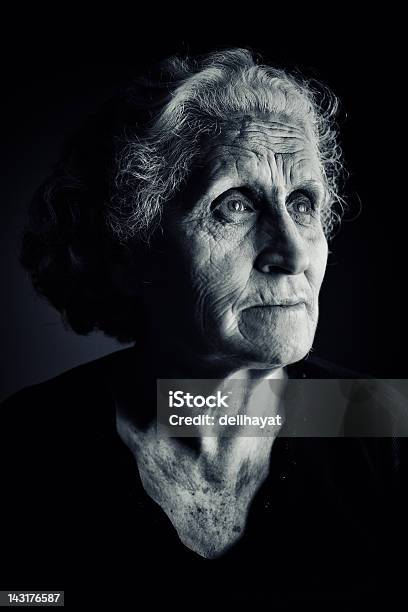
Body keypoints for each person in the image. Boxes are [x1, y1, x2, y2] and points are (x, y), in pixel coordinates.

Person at [1, 49, 406, 605]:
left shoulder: (375, 424)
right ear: (128, 251)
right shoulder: (27, 450)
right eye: (235, 205)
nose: (290, 253)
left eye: (304, 204)